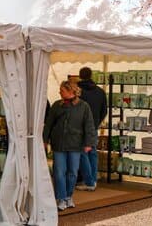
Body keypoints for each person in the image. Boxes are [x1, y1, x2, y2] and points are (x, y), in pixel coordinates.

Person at [43, 81, 96, 211]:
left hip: (76, 145)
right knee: (59, 172)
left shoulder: (84, 106)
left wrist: (89, 143)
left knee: (72, 172)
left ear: (70, 91)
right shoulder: (57, 105)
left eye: (62, 90)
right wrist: (44, 140)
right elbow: (48, 124)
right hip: (58, 144)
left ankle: (68, 196)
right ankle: (61, 198)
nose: (59, 92)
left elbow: (89, 126)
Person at [75, 67, 107, 192]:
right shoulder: (100, 91)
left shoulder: (77, 91)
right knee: (92, 154)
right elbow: (104, 110)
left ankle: (88, 181)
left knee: (83, 154)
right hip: (93, 127)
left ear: (79, 75)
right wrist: (96, 123)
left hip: (78, 127)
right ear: (91, 75)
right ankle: (93, 180)